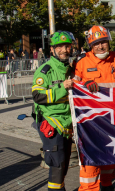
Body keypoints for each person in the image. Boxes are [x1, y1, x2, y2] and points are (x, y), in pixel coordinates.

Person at [73, 25, 115, 191]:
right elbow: (73, 84)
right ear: (90, 46)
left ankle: (107, 185)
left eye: (103, 42)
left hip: (112, 120)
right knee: (90, 159)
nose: (100, 46)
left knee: (109, 155)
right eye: (96, 43)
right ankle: (88, 189)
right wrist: (84, 83)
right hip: (90, 122)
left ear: (109, 42)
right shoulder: (82, 63)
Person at [32, 31, 75, 191]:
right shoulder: (46, 70)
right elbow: (37, 95)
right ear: (52, 49)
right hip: (50, 122)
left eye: (67, 46)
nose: (64, 49)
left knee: (63, 164)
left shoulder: (69, 69)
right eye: (60, 46)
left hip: (66, 124)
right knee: (57, 165)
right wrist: (61, 87)